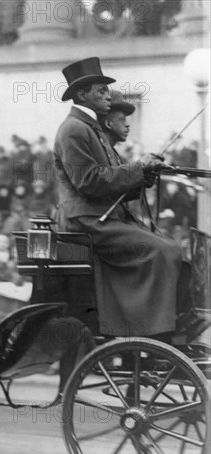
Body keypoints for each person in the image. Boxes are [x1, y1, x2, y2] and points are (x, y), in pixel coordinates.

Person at [54, 57, 197, 339]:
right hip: (85, 222)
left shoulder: (93, 130)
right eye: (101, 91)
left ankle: (167, 327)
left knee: (174, 251)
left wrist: (143, 177)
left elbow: (112, 184)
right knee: (163, 251)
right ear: (82, 95)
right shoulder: (74, 129)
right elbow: (90, 182)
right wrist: (137, 169)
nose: (108, 95)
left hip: (101, 218)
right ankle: (154, 332)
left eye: (108, 91)